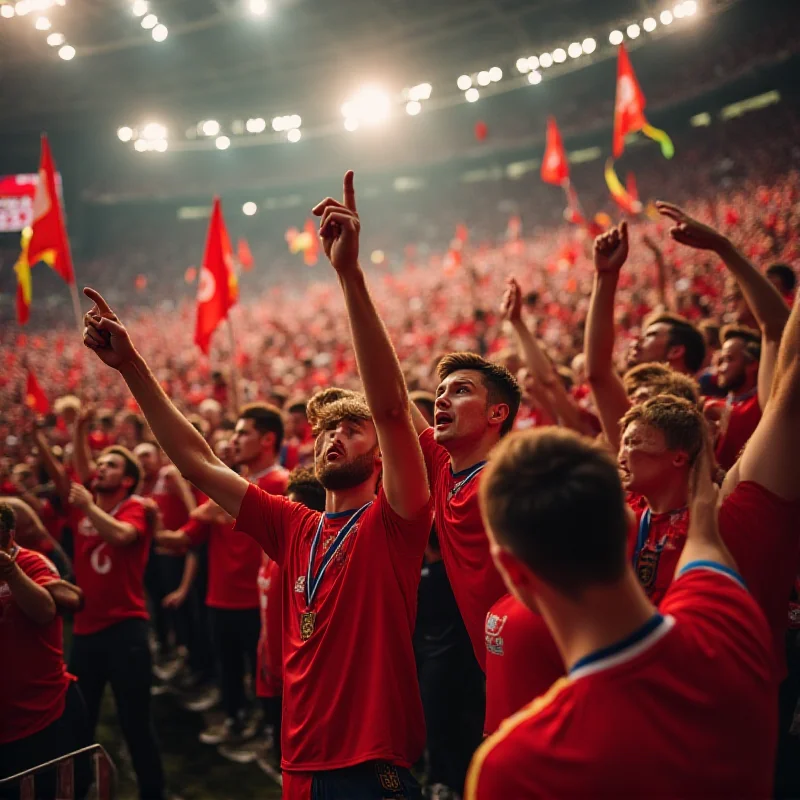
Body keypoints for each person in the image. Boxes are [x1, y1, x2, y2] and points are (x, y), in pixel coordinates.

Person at [81, 170, 432, 800]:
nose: (335, 436)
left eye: (352, 429)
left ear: (382, 451)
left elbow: (389, 406)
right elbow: (197, 460)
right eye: (326, 428)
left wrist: (349, 275)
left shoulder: (397, 520)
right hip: (297, 764)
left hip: (373, 764)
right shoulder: (294, 526)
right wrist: (131, 366)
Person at [465, 427, 777, 798]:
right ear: (629, 530)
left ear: (514, 571)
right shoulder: (726, 618)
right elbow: (704, 545)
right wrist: (701, 497)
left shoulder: (516, 767)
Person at [158, 403, 290, 749]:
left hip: (259, 600)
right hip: (220, 595)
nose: (234, 440)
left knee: (268, 677)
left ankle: (270, 735)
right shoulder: (228, 486)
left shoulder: (281, 483)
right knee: (229, 669)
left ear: (267, 439)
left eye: (243, 433)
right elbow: (187, 535)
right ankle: (235, 721)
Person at [61, 445, 165, 800]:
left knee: (135, 724)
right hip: (86, 632)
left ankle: (153, 793)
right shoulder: (85, 508)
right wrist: (76, 429)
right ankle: (80, 789)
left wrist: (88, 506)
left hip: (126, 630)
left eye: (111, 465)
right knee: (78, 724)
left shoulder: (136, 507)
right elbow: (75, 466)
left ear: (128, 479)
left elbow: (122, 536)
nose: (101, 468)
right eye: (100, 462)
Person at [409, 349, 521, 672]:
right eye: (440, 392)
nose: (441, 400)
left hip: (532, 659)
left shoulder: (512, 483)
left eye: (461, 391)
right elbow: (392, 397)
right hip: (490, 662)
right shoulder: (447, 467)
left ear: (497, 413)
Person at [0, 502, 91, 800]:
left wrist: (10, 571)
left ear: (9, 535)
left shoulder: (31, 562)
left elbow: (45, 611)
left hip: (42, 713)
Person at [711, 326, 762, 469]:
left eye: (729, 359)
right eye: (720, 360)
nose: (721, 368)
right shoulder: (709, 407)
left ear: (752, 364)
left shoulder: (761, 405)